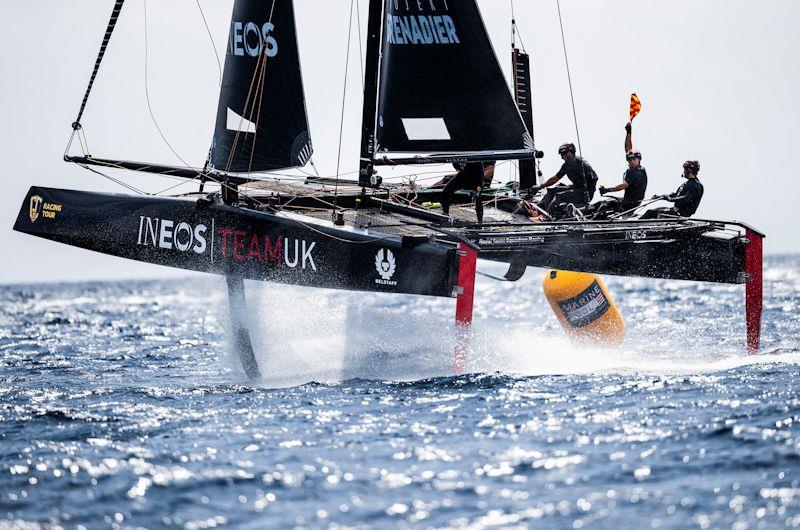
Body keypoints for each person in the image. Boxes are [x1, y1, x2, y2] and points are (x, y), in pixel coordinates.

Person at [531, 143, 598, 217]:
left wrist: (541, 186)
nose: (562, 158)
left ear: (569, 153)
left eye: (562, 155)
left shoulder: (571, 162)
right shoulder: (578, 160)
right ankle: (537, 209)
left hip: (583, 194)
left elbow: (555, 179)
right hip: (581, 190)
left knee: (559, 196)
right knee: (554, 190)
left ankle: (547, 216)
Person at [598, 123, 648, 213]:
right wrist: (629, 132)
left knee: (606, 204)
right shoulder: (635, 169)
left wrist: (607, 190)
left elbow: (623, 186)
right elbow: (628, 149)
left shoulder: (637, 172)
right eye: (629, 160)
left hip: (631, 203)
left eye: (634, 159)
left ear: (639, 159)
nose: (631, 161)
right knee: (601, 203)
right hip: (628, 200)